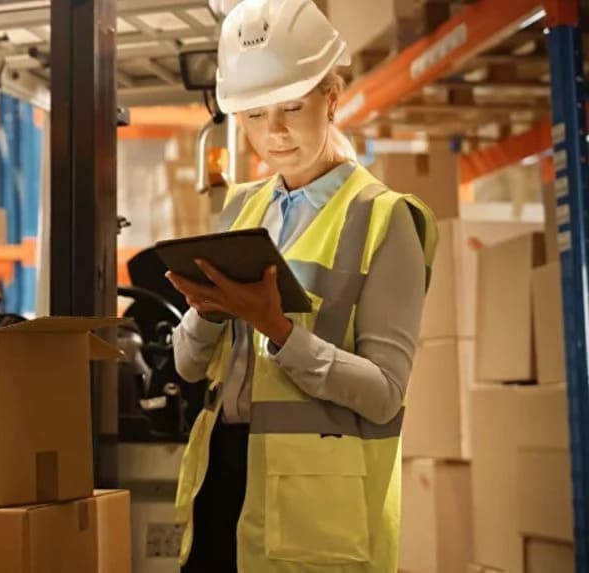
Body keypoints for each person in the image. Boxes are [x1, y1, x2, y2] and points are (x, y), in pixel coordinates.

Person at [165, 1, 438, 571]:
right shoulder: (242, 207)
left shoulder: (384, 219)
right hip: (221, 486)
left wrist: (279, 330)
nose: (275, 133)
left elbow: (385, 394)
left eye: (291, 107)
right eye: (255, 115)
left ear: (331, 97)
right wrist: (207, 311)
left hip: (315, 515)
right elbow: (189, 369)